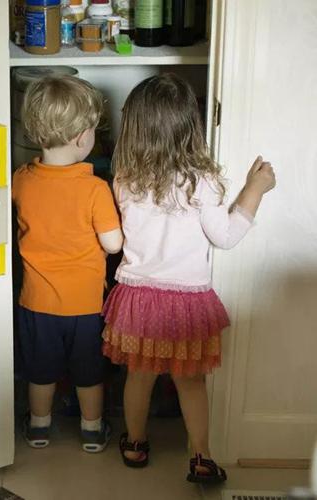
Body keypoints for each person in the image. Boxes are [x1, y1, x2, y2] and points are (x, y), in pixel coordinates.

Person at [103, 74, 276, 483]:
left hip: (139, 298)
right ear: (190, 127)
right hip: (186, 302)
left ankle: (136, 442)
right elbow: (227, 236)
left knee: (139, 376)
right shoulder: (204, 182)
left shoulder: (125, 179)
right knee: (191, 383)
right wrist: (256, 188)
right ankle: (201, 456)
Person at [13, 76, 123, 452]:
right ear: (82, 138)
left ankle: (39, 426)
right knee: (89, 372)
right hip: (86, 305)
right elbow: (113, 243)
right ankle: (91, 429)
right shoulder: (94, 189)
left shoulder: (22, 180)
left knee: (39, 371)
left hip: (37, 302)